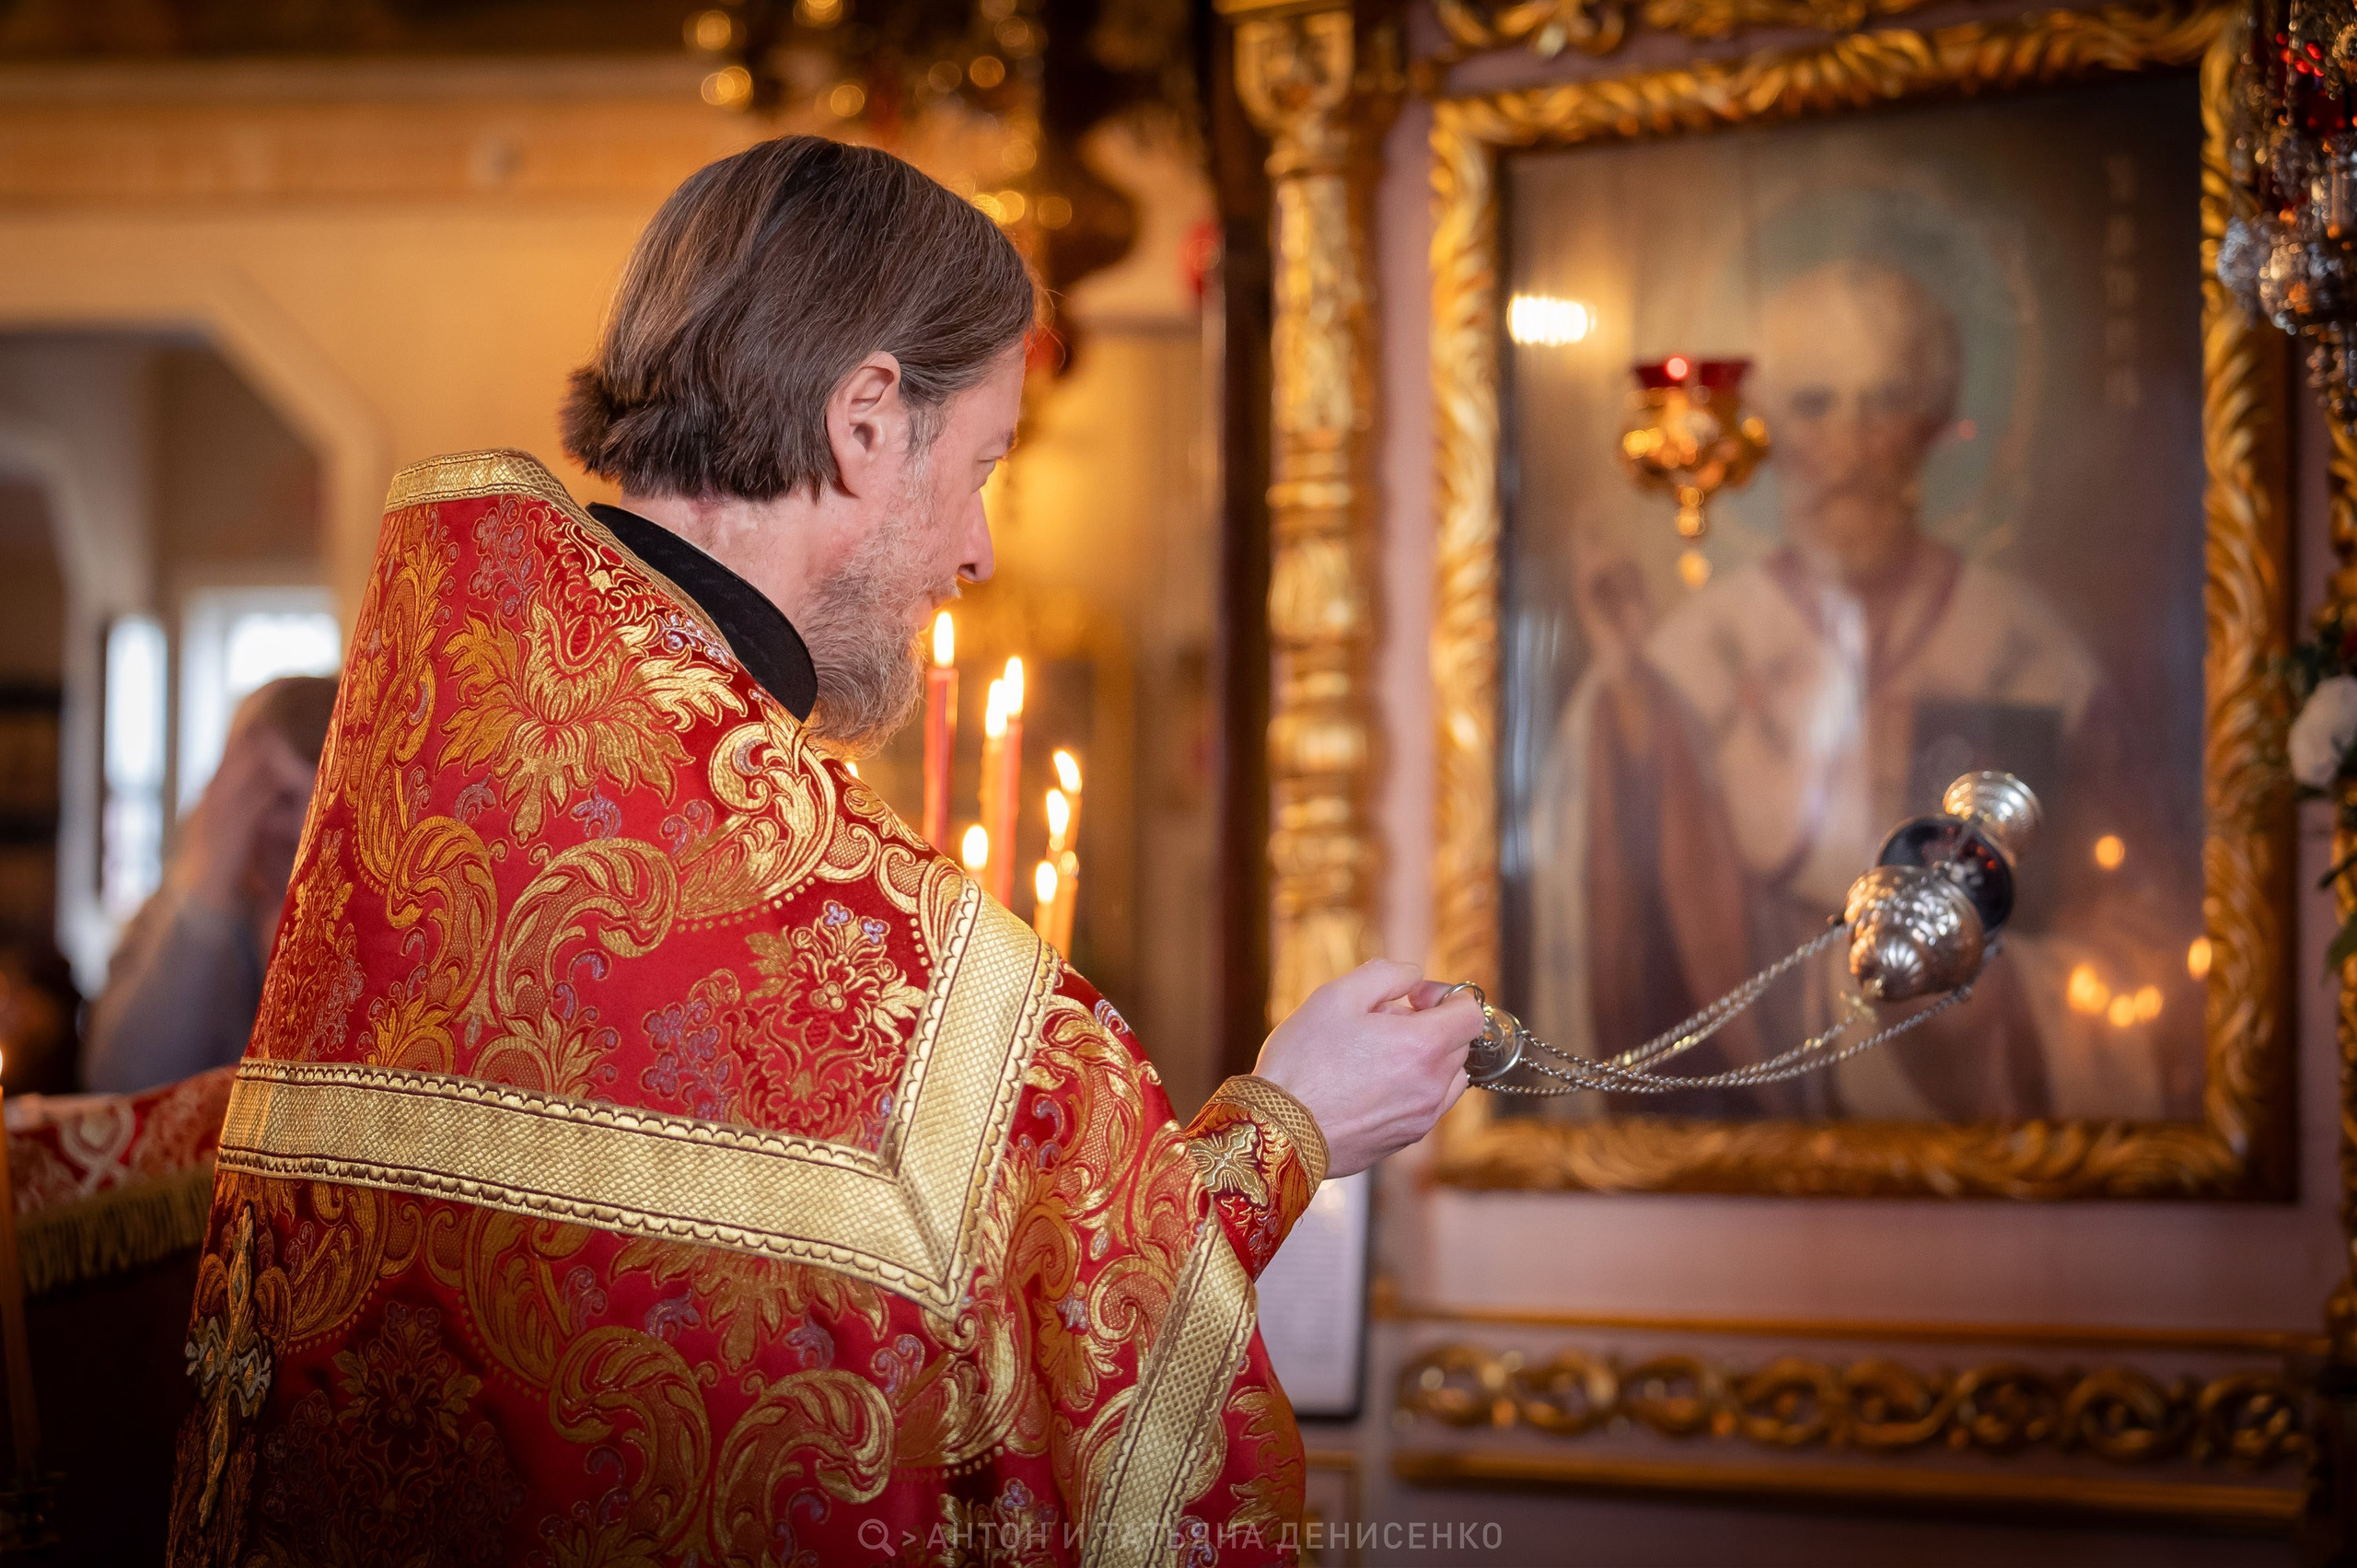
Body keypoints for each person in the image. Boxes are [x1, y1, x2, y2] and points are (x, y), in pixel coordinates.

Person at [168, 136, 1476, 1565]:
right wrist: (1291, 1127)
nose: (976, 549)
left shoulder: (428, 775)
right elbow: (1070, 1353)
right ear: (865, 419)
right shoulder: (869, 948)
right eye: (980, 464)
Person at [1534, 257, 2157, 1123]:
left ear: (1932, 424)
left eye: (1887, 401)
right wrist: (1626, 698)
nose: (1852, 448)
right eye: (1816, 405)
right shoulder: (1689, 656)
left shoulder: (2032, 654)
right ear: (1768, 430)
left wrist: (1991, 1001)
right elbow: (1629, 913)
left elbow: (2131, 934)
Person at [84, 674, 336, 1094]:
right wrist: (208, 887)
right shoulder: (171, 918)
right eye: (282, 799)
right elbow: (122, 1087)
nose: (301, 831)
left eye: (323, 800)